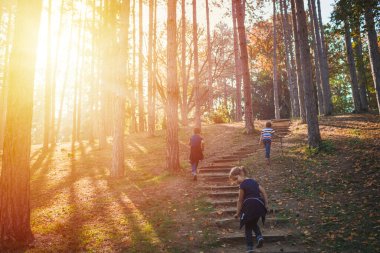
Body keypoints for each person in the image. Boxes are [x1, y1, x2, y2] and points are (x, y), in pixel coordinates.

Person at [229, 166, 268, 253]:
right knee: (252, 222)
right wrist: (266, 204)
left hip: (249, 206)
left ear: (239, 175)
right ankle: (259, 237)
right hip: (259, 205)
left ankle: (249, 248)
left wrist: (237, 212)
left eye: (235, 179)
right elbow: (263, 191)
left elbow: (240, 200)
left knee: (248, 227)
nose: (235, 182)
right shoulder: (253, 181)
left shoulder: (242, 185)